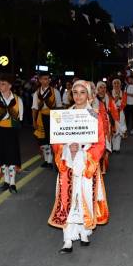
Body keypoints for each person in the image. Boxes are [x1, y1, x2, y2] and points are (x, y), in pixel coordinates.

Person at [48, 80, 108, 254]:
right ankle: (67, 238)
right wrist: (68, 148)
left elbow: (100, 142)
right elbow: (57, 142)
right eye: (75, 92)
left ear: (88, 95)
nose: (79, 96)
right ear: (71, 94)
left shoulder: (94, 116)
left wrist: (83, 151)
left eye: (83, 92)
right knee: (68, 198)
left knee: (84, 196)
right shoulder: (64, 116)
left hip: (86, 163)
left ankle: (84, 231)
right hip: (69, 164)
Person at [0, 74, 23, 193]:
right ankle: (6, 182)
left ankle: (12, 184)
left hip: (12, 131)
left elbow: (19, 118)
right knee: (2, 157)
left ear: (10, 86)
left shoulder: (17, 100)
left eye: (3, 84)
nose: (0, 86)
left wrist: (11, 122)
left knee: (12, 157)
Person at [33, 71, 63, 168]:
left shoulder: (55, 92)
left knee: (52, 139)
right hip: (41, 117)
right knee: (43, 140)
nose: (45, 81)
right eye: (43, 79)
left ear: (49, 80)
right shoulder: (36, 93)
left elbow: (59, 107)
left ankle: (51, 160)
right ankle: (47, 160)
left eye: (47, 79)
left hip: (52, 117)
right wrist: (33, 121)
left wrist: (58, 121)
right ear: (40, 80)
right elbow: (34, 108)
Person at [93, 81, 118, 174]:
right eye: (100, 88)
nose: (102, 90)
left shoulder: (109, 99)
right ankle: (97, 166)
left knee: (106, 146)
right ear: (97, 89)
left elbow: (114, 112)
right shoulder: (93, 100)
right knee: (98, 146)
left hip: (107, 126)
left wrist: (116, 125)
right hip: (97, 125)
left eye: (104, 88)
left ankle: (104, 166)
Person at [110, 79, 127, 152]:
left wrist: (119, 108)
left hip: (120, 112)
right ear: (112, 84)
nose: (116, 85)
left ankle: (117, 148)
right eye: (115, 83)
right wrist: (115, 100)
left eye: (118, 83)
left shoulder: (123, 93)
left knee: (119, 130)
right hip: (112, 113)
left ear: (120, 85)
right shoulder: (109, 93)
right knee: (113, 129)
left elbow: (124, 103)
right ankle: (112, 146)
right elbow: (109, 103)